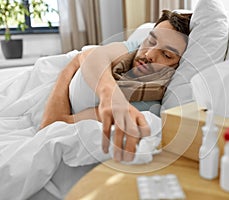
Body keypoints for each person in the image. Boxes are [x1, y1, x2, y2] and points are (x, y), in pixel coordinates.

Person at [40, 10, 192, 162]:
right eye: (151, 41)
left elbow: (51, 125)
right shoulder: (134, 49)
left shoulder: (143, 106)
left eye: (166, 55)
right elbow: (90, 55)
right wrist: (111, 96)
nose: (149, 54)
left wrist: (73, 65)